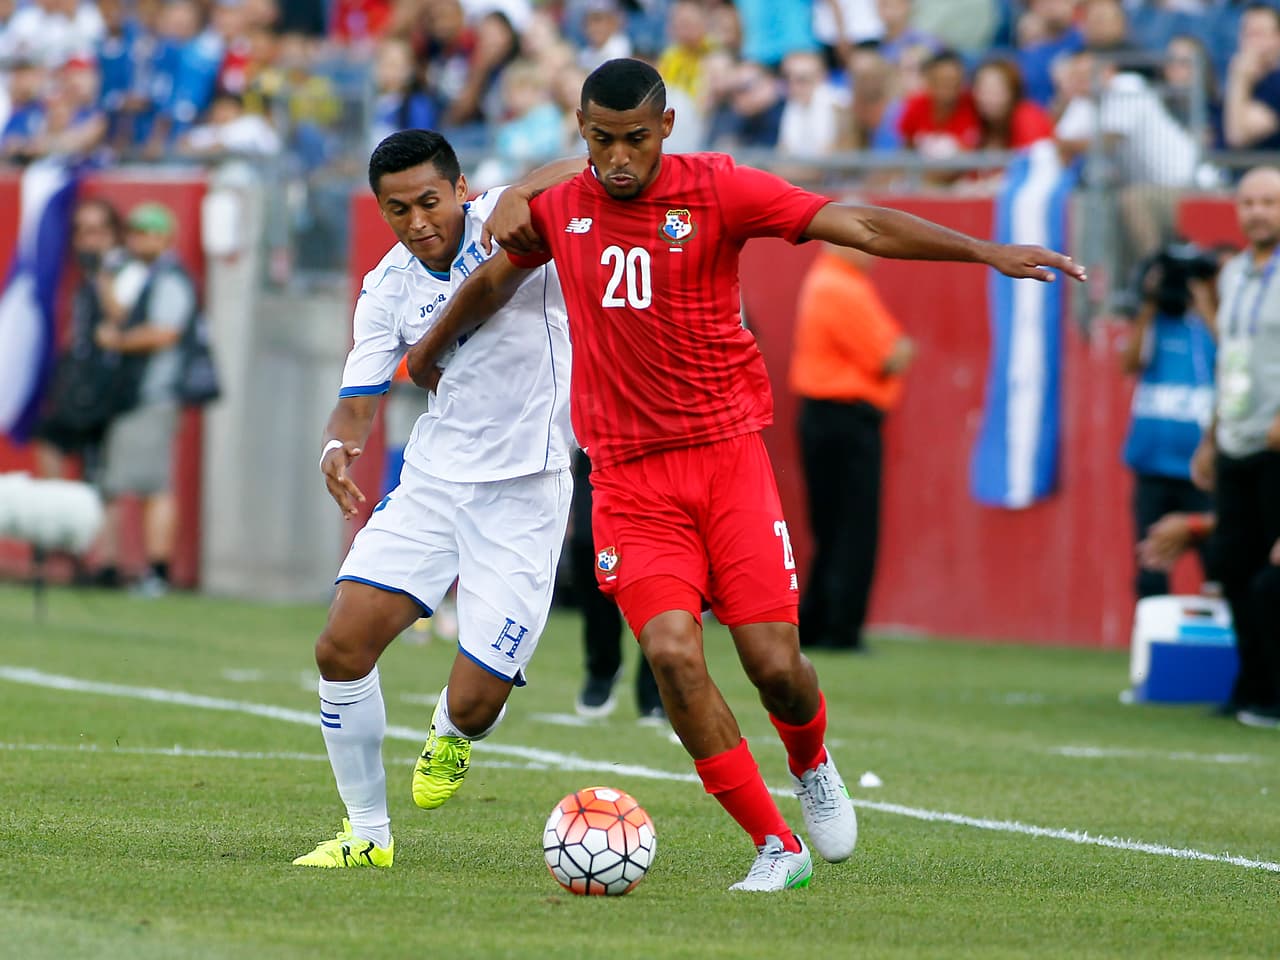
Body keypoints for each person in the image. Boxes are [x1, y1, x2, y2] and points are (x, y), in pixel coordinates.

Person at [404, 58, 1084, 891]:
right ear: (581, 135)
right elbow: (492, 282)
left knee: (774, 664)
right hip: (626, 479)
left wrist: (983, 250)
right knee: (671, 652)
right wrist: (431, 350)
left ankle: (812, 762)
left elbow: (859, 225)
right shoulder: (560, 207)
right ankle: (776, 845)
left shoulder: (720, 189)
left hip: (727, 462)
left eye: (635, 140)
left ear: (667, 130)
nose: (619, 159)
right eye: (601, 141)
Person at [291, 130, 576, 868]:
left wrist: (523, 187)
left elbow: (596, 163)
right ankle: (367, 837)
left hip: (526, 491)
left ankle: (451, 733)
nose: (418, 222)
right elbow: (358, 399)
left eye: (428, 202)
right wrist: (335, 446)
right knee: (341, 645)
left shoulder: (508, 222)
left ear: (457, 190)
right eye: (397, 209)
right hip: (436, 483)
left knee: (478, 703)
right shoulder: (387, 287)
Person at [789, 239, 914, 653]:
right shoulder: (842, 287)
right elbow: (889, 356)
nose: (874, 252)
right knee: (854, 528)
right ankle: (841, 627)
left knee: (829, 528)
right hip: (846, 418)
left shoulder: (828, 281)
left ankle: (819, 619)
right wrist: (901, 350)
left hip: (824, 416)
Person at [1190, 165, 1280, 728]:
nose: (1257, 212)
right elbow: (1232, 362)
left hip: (1276, 444)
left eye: (1268, 202)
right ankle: (1251, 687)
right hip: (1237, 440)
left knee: (1273, 578)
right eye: (1248, 202)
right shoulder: (1232, 276)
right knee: (1233, 566)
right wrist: (1210, 433)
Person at [94, 201, 197, 597]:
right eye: (134, 232)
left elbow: (164, 332)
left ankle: (156, 571)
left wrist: (117, 341)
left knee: (153, 485)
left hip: (152, 393)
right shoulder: (144, 275)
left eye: (147, 233)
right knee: (125, 481)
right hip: (136, 394)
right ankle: (124, 566)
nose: (138, 240)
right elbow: (124, 314)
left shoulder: (171, 278)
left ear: (165, 237)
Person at [1120, 244, 1217, 600]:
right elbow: (1128, 363)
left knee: (1218, 568)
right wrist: (1149, 300)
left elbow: (1234, 356)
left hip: (1202, 473)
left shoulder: (1212, 326)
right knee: (1150, 566)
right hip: (1153, 470)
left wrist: (1204, 303)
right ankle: (1150, 648)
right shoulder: (1155, 325)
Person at [30, 197, 125, 486]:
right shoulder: (80, 275)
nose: (88, 239)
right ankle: (60, 518)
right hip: (79, 379)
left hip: (111, 385)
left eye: (97, 230)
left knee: (101, 484)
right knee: (49, 441)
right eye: (82, 231)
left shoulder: (122, 269)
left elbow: (122, 318)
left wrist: (103, 274)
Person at [570, 448, 663, 721]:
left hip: (657, 445)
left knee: (658, 559)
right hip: (601, 442)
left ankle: (656, 686)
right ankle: (602, 665)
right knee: (589, 545)